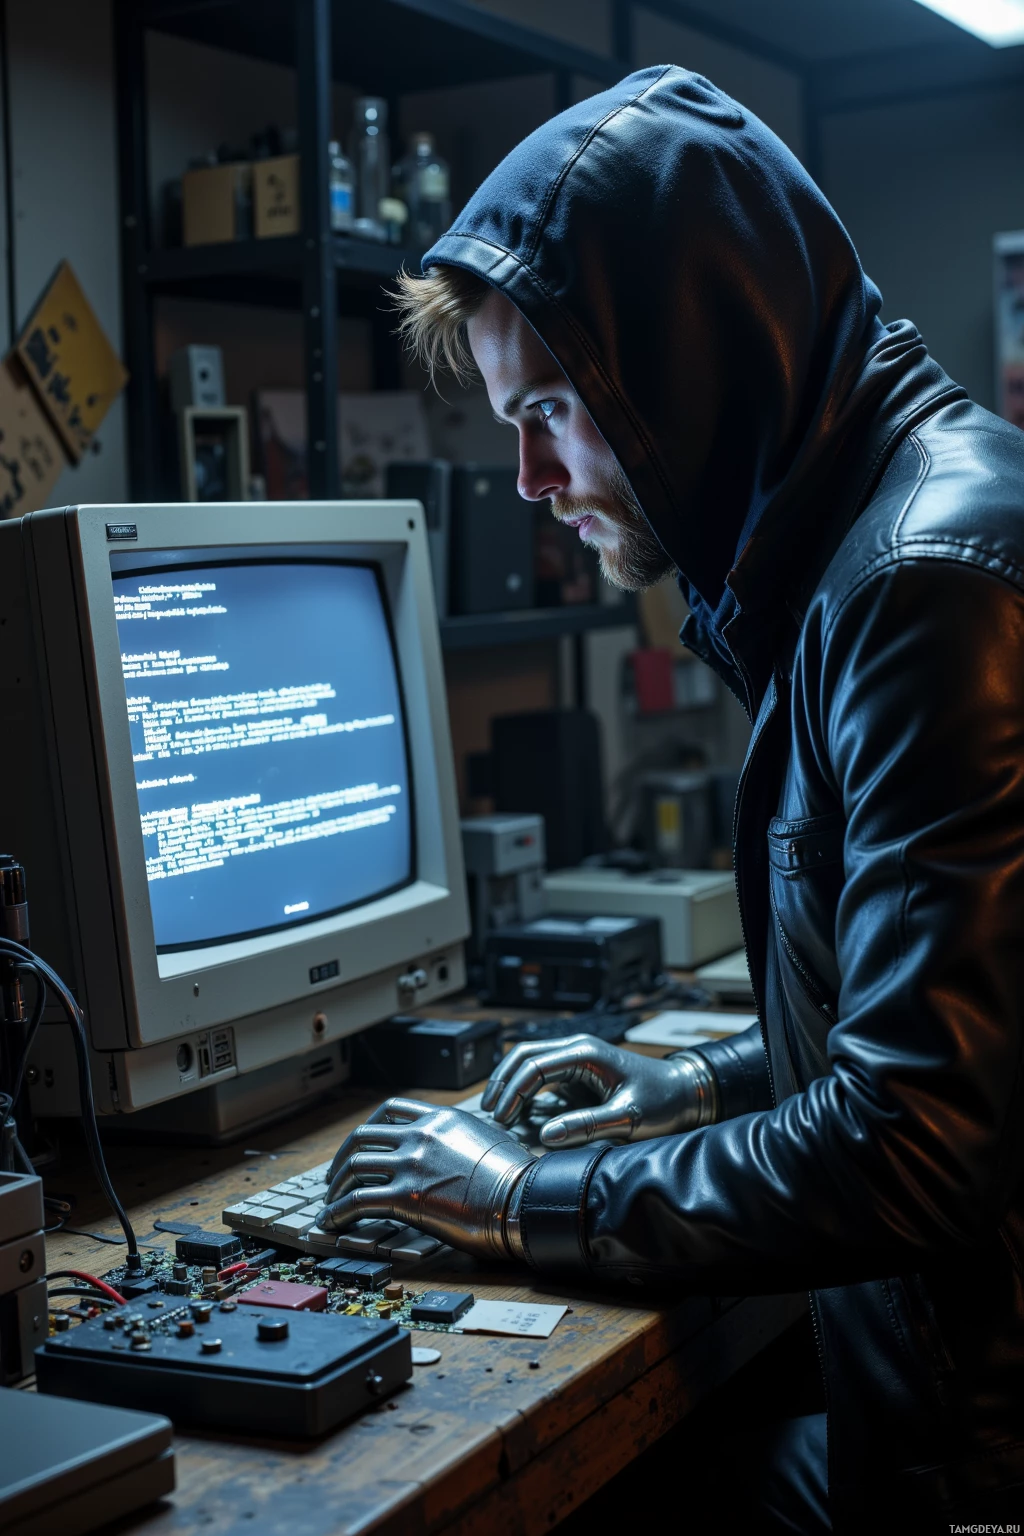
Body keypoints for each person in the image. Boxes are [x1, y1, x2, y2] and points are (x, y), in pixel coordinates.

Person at [318, 67, 1024, 1530]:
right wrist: (698, 1085)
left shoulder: (918, 591)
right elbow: (952, 1029)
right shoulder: (902, 529)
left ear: (694, 361)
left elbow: (918, 1139)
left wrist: (512, 1197)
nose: (526, 475)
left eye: (554, 411)